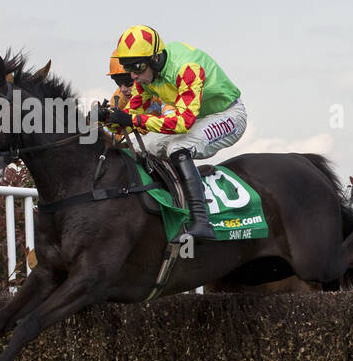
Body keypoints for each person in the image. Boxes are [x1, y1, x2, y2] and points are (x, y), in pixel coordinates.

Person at [98, 25, 247, 240]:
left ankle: (201, 221)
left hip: (228, 115)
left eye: (137, 67)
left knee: (178, 147)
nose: (133, 76)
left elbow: (182, 123)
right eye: (127, 68)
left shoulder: (187, 68)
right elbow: (130, 117)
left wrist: (130, 119)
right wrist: (108, 118)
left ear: (156, 59)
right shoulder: (148, 76)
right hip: (196, 118)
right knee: (138, 146)